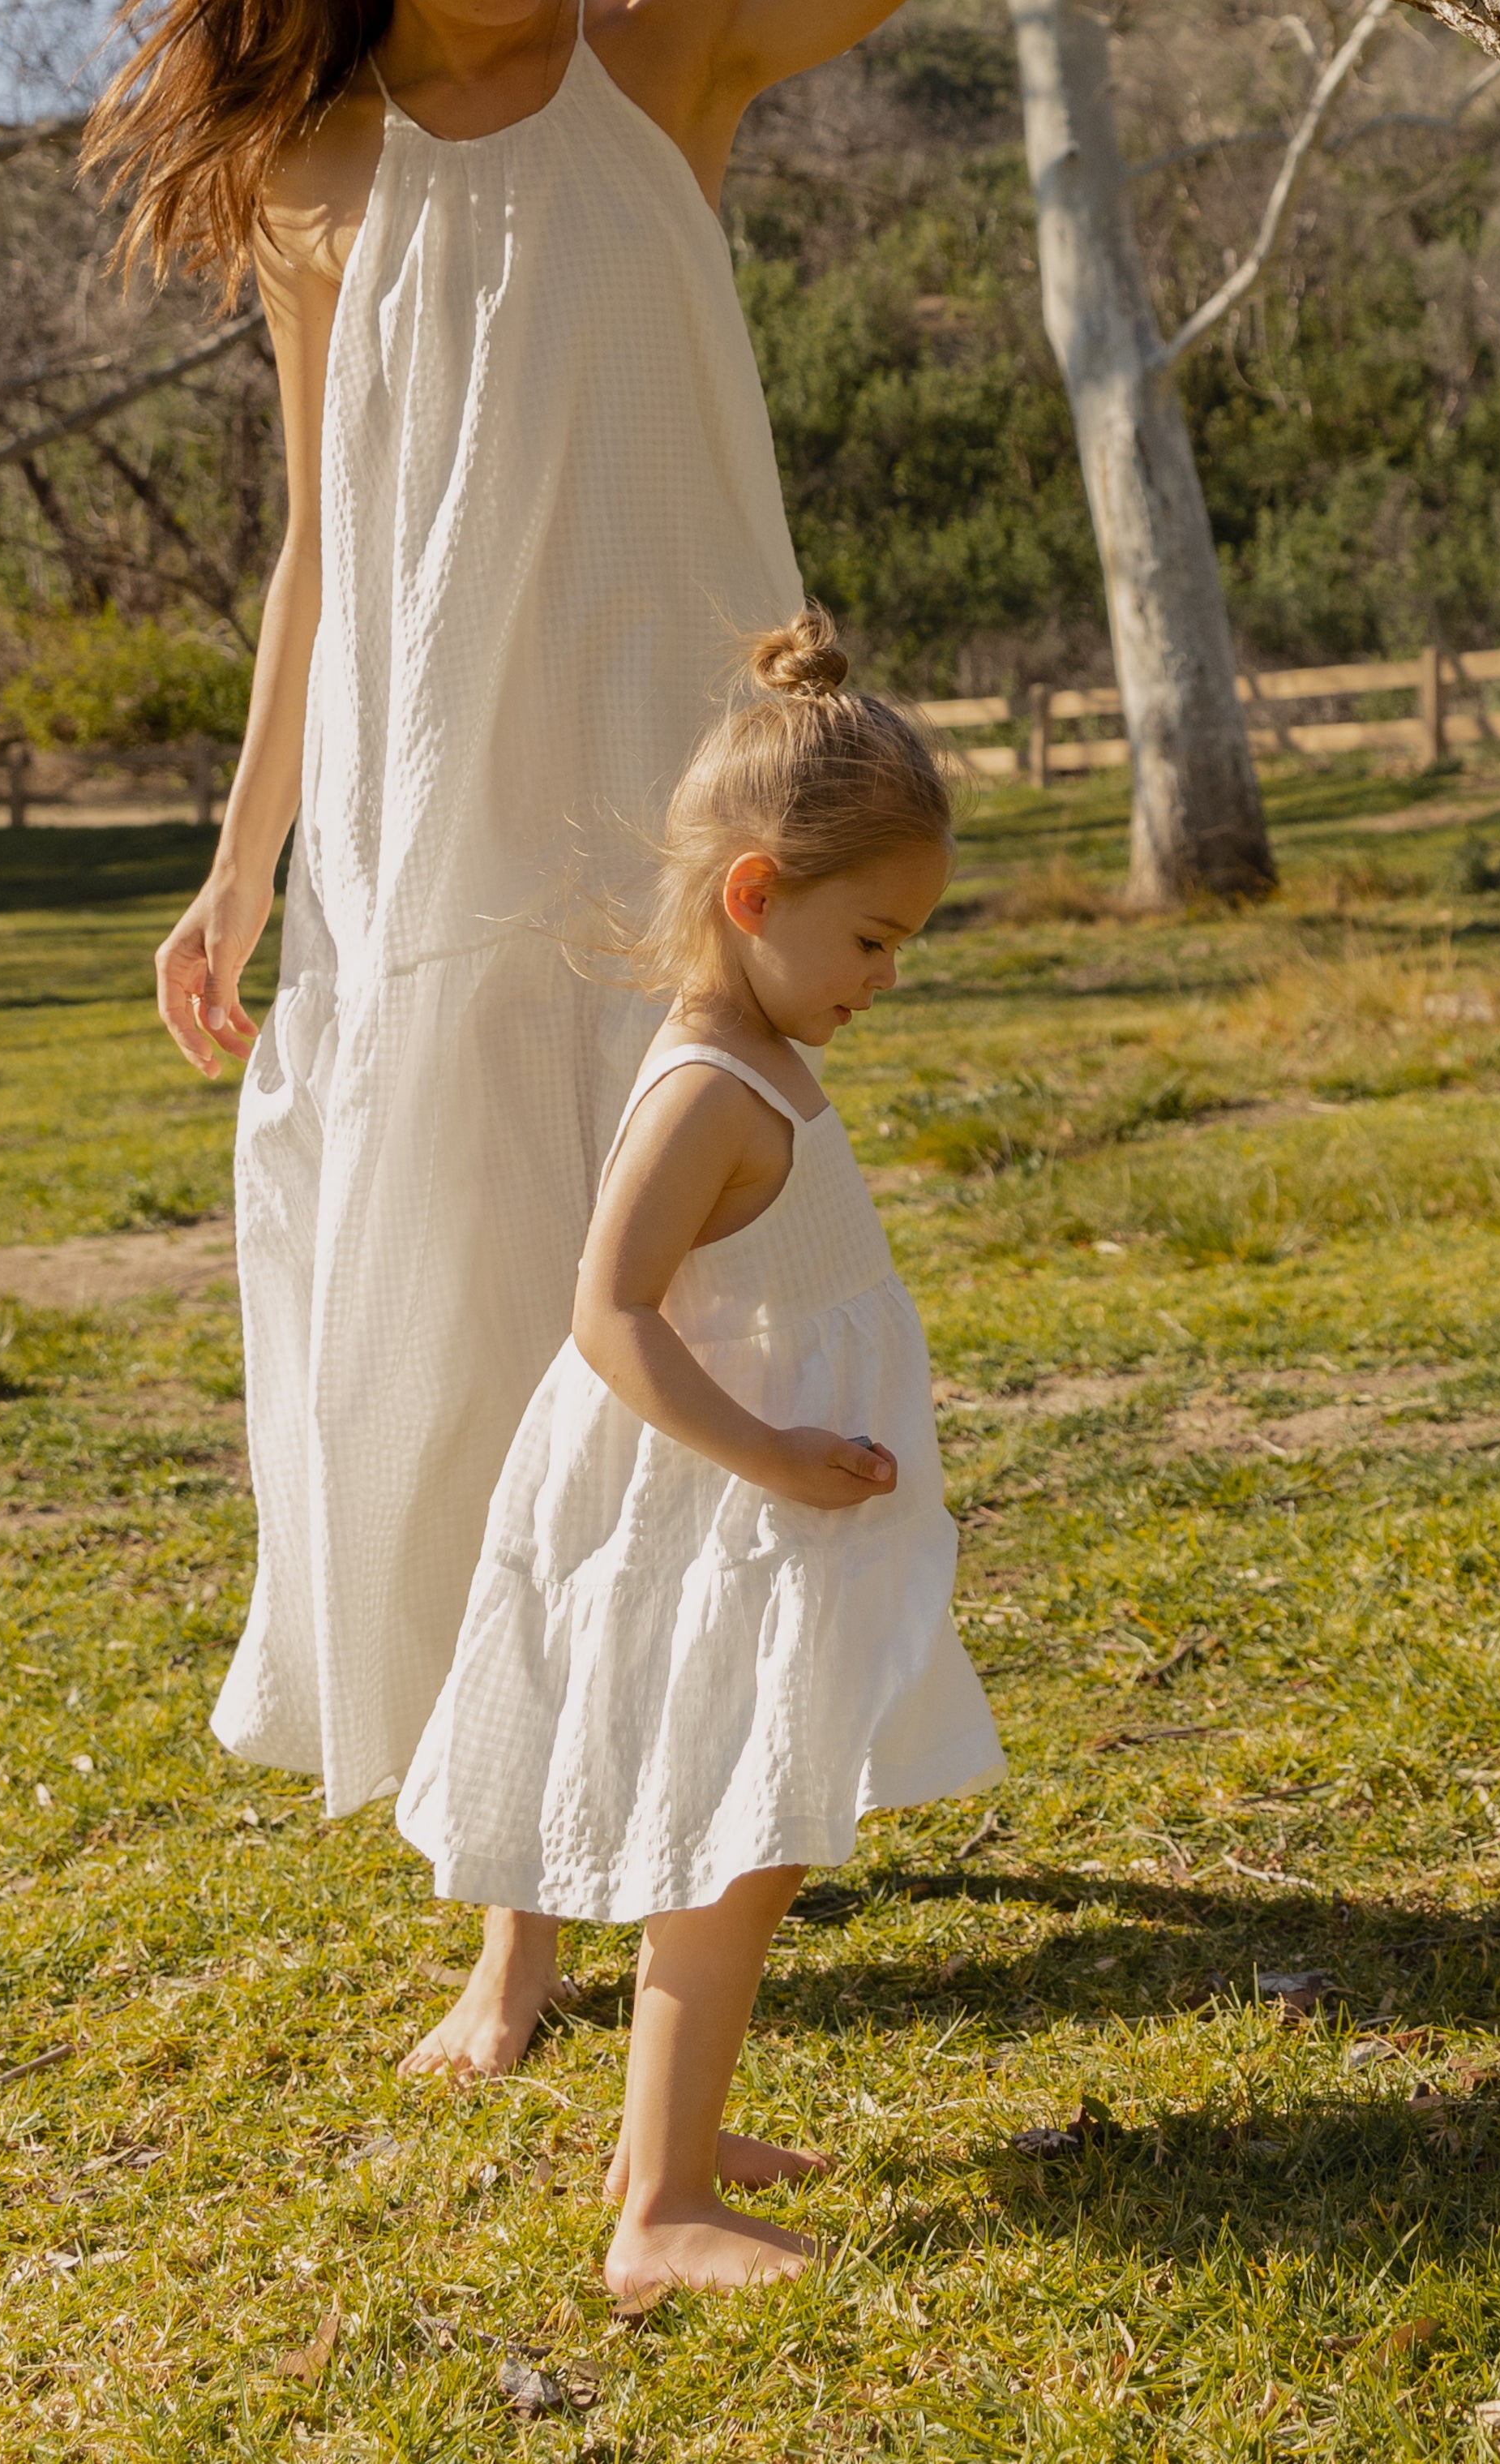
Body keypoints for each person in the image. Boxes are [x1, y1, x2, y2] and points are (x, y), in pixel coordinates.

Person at [85, 0, 989, 2080]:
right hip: (432, 846)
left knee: (685, 1353)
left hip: (672, 835)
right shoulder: (312, 173)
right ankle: (516, 1926)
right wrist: (243, 863)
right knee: (487, 1355)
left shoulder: (656, 61)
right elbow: (322, 539)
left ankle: (705, 1805)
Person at [396, 611, 1001, 2297]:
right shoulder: (707, 1094)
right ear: (754, 896)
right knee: (728, 1845)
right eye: (873, 938)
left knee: (771, 1824)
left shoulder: (765, 1058)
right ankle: (658, 2210)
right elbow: (608, 1312)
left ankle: (673, 2127)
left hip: (767, 1499)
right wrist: (772, 1457)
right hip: (711, 1509)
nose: (891, 975)